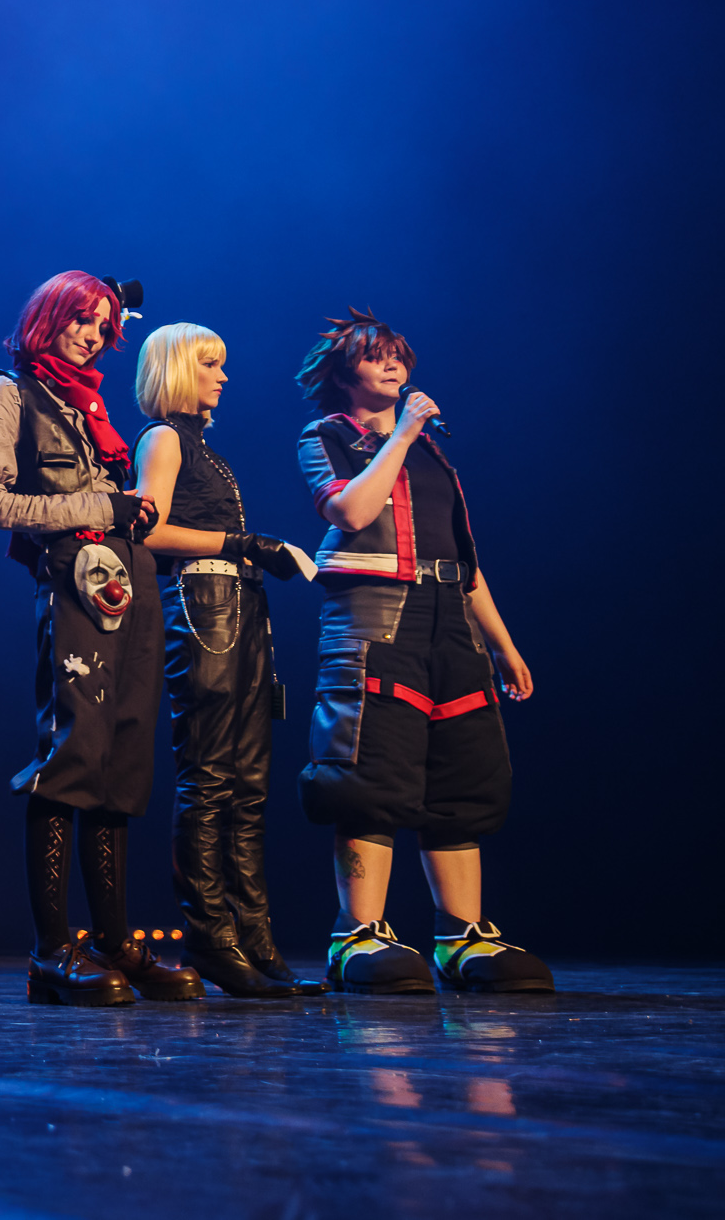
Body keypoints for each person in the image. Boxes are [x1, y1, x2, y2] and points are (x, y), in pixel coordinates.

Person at [0, 271, 201, 1007]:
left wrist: (126, 512)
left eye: (104, 325)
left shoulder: (87, 404)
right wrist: (99, 505)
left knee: (120, 763)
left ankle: (115, 941)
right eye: (82, 319)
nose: (93, 335)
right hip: (73, 587)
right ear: (49, 316)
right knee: (70, 756)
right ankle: (51, 951)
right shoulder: (9, 392)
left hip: (129, 585)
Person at [294, 309, 551, 994]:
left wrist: (503, 646)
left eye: (399, 355)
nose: (393, 365)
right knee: (368, 771)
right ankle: (356, 934)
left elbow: (466, 563)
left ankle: (462, 936)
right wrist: (403, 433)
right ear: (343, 372)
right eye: (375, 355)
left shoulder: (433, 454)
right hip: (376, 622)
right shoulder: (327, 436)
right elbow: (351, 512)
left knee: (461, 773)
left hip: (450, 624)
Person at [130, 323, 317, 998]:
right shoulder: (163, 438)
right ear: (179, 368)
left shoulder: (202, 447)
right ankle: (213, 938)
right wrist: (243, 543)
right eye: (211, 363)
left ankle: (255, 940)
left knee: (247, 783)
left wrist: (249, 552)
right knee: (210, 777)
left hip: (238, 606)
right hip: (202, 605)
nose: (223, 375)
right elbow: (147, 530)